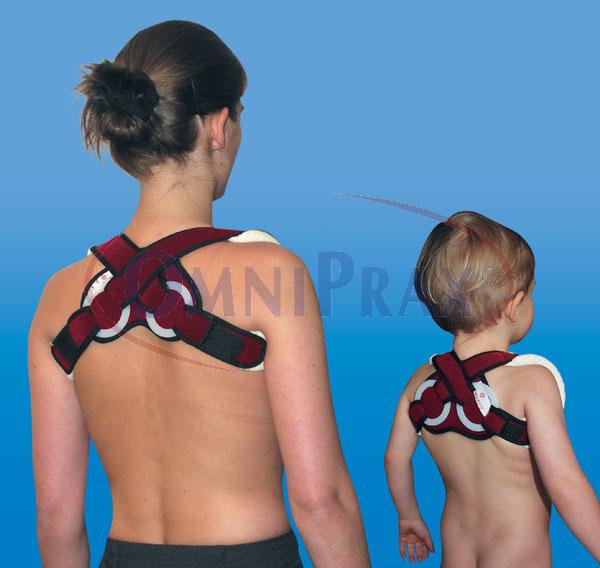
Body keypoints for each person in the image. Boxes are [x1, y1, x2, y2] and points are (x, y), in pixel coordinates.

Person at [28, 19, 370, 568]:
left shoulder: (59, 297)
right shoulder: (271, 273)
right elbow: (320, 501)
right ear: (217, 125)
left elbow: (55, 519)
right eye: (240, 115)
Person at [384, 211, 600, 566]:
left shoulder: (421, 382)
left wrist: (408, 517)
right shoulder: (532, 381)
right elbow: (565, 483)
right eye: (531, 295)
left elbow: (395, 459)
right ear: (514, 305)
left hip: (457, 555)